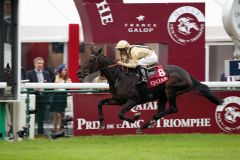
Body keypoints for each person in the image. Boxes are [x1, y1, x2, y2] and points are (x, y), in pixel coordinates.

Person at [25, 57, 52, 134]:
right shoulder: (29, 73)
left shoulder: (46, 73)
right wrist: (34, 88)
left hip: (43, 97)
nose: (41, 65)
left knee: (41, 116)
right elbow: (26, 85)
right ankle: (30, 133)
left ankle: (40, 133)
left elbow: (50, 85)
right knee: (32, 115)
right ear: (35, 64)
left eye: (42, 63)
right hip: (33, 97)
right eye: (39, 63)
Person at [50, 64, 72, 135]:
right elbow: (55, 85)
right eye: (63, 70)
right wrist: (57, 75)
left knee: (61, 115)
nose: (64, 71)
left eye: (65, 70)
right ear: (60, 71)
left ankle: (60, 131)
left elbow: (71, 87)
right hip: (56, 97)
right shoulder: (56, 77)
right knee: (56, 115)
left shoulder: (68, 79)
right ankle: (54, 129)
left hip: (63, 98)